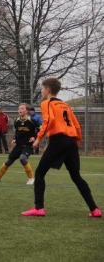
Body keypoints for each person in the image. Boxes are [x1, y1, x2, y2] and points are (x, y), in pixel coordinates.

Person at [22, 78, 101, 217]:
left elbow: (49, 121)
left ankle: (39, 208)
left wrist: (39, 138)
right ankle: (94, 209)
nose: (41, 91)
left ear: (48, 90)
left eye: (42, 89)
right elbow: (76, 125)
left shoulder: (46, 103)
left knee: (40, 172)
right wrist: (75, 141)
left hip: (59, 140)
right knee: (76, 175)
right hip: (71, 140)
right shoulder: (65, 105)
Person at [0, 103, 37, 185]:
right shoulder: (17, 121)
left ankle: (31, 178)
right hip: (18, 145)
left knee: (23, 158)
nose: (20, 110)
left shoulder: (32, 121)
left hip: (27, 145)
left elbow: (41, 130)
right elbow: (17, 133)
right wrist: (15, 139)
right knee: (8, 162)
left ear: (27, 111)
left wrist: (35, 137)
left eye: (22, 108)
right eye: (19, 109)